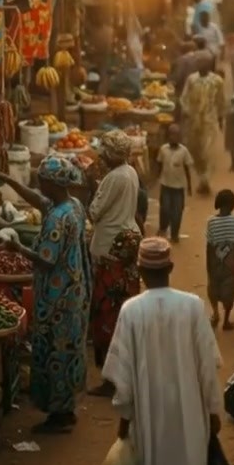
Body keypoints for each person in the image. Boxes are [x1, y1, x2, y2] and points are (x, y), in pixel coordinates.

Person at [103, 237, 223, 465]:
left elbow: (123, 378)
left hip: (149, 417)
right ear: (170, 267)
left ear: (140, 269)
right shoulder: (193, 306)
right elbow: (208, 367)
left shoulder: (131, 310)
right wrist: (213, 412)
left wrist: (124, 427)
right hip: (190, 416)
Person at [0, 157, 92, 433]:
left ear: (53, 183)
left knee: (55, 350)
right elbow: (40, 201)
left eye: (42, 181)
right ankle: (68, 409)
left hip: (57, 297)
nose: (39, 184)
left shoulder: (58, 219)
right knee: (69, 348)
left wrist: (17, 248)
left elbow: (46, 260)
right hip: (74, 290)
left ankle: (59, 416)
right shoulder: (71, 205)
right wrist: (13, 182)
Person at [88, 131, 142, 388]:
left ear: (110, 155)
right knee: (123, 308)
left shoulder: (113, 177)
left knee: (107, 313)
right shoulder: (130, 172)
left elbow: (94, 212)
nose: (99, 156)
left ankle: (112, 381)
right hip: (126, 243)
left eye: (102, 152)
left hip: (110, 248)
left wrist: (92, 184)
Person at [206, 189, 234, 331]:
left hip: (214, 263)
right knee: (230, 291)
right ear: (232, 204)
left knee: (213, 287)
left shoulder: (211, 222)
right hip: (232, 264)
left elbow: (209, 246)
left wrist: (209, 266)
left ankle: (215, 313)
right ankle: (226, 320)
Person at [180, 60, 224, 195]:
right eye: (199, 64)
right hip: (194, 122)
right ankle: (201, 177)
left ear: (210, 66)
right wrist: (187, 111)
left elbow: (221, 100)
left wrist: (221, 118)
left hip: (210, 122)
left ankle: (205, 181)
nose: (201, 66)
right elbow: (184, 97)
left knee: (208, 152)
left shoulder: (217, 81)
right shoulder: (192, 80)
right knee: (195, 151)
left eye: (204, 64)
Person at [157, 123, 193, 243]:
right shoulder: (163, 149)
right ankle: (162, 229)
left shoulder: (184, 151)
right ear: (168, 136)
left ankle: (174, 234)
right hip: (166, 185)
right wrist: (158, 179)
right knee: (165, 209)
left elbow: (187, 169)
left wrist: (189, 186)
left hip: (178, 188)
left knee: (177, 212)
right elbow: (159, 165)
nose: (174, 137)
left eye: (177, 135)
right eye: (172, 134)